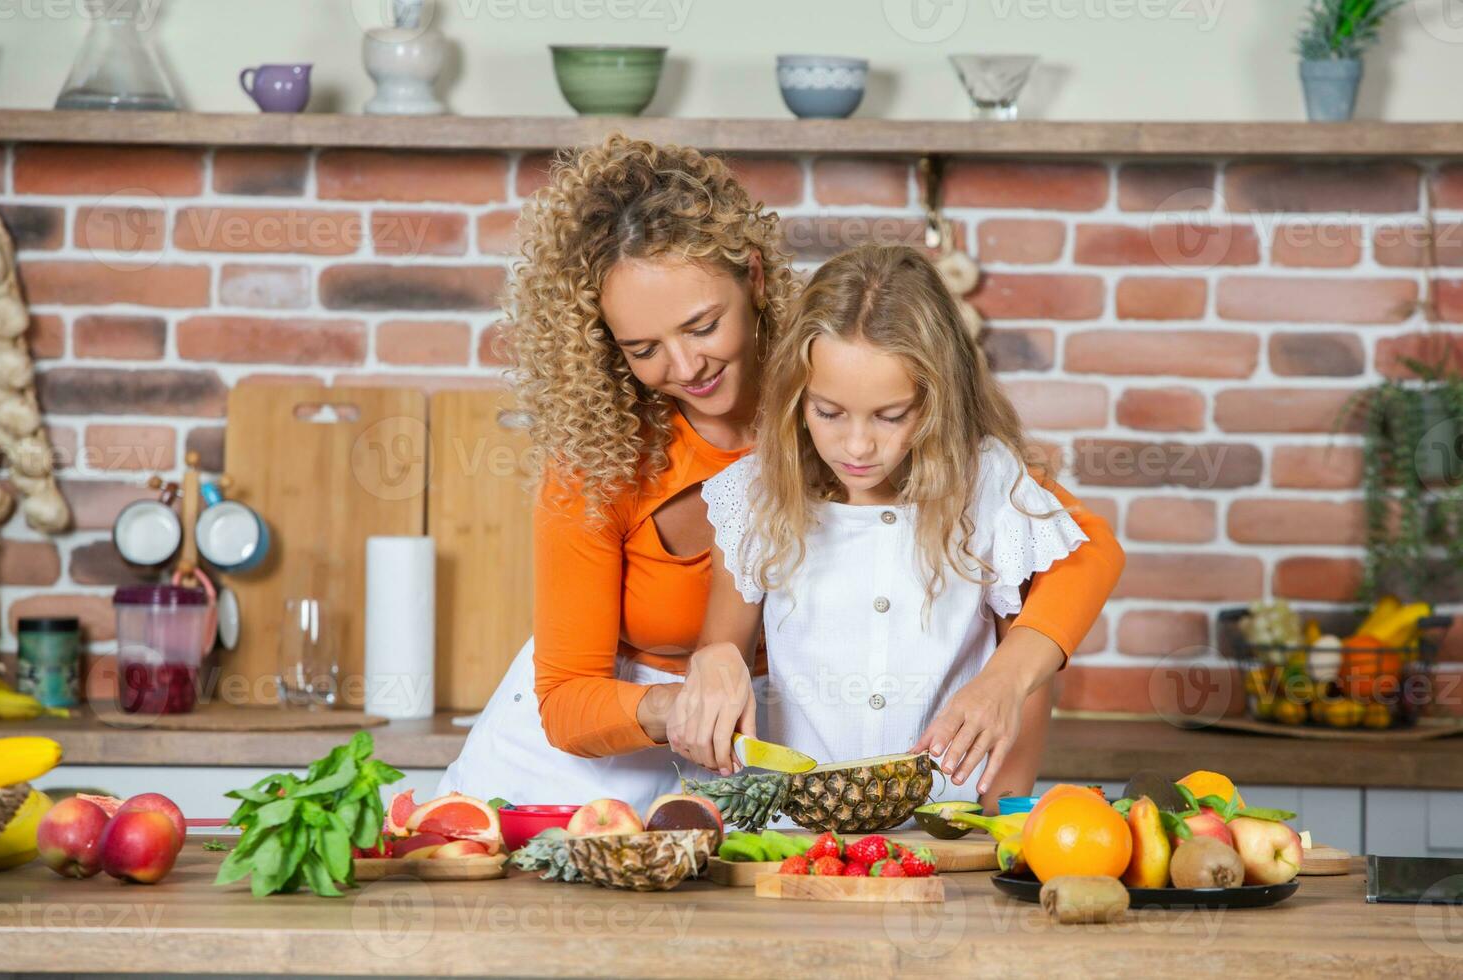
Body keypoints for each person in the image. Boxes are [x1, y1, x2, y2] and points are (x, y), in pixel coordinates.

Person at [438, 136, 1125, 813]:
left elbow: (1072, 555)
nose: (683, 367)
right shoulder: (597, 458)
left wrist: (1006, 683)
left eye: (702, 325)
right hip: (579, 769)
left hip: (751, 770)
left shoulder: (842, 383)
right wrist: (690, 700)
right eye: (643, 348)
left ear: (755, 280)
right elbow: (567, 701)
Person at [690, 245, 1088, 808]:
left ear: (937, 400)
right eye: (828, 412)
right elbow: (721, 659)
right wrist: (709, 668)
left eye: (891, 415)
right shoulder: (754, 495)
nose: (857, 446)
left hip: (951, 821)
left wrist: (999, 815)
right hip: (800, 829)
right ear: (797, 396)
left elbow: (1021, 679)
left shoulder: (989, 484)